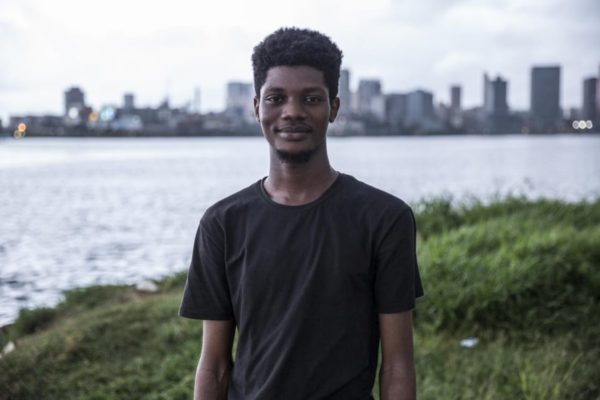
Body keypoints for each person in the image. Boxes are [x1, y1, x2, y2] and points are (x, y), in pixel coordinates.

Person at [179, 27, 424, 400]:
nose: (292, 111)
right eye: (276, 98)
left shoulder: (384, 219)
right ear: (257, 106)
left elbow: (397, 366)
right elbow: (213, 366)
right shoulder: (222, 223)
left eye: (310, 98)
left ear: (334, 108)